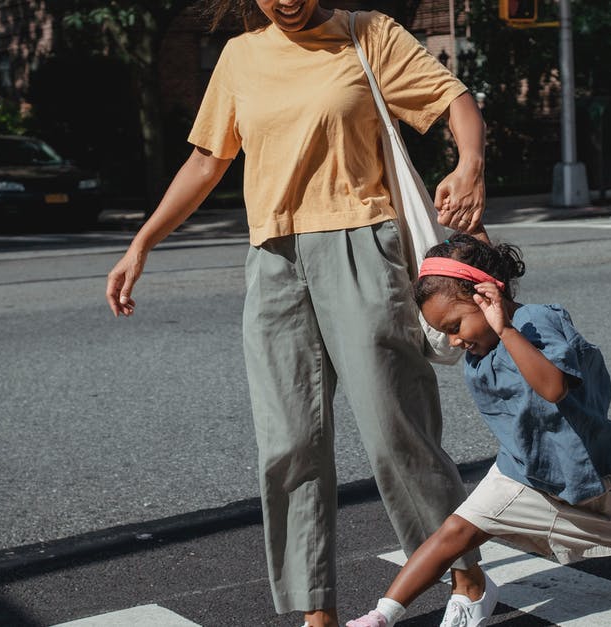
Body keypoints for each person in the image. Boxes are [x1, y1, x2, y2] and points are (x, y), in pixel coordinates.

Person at [103, 1, 494, 625]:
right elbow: (207, 162)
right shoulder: (240, 57)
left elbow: (455, 98)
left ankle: (464, 575)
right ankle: (317, 612)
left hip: (362, 245)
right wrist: (143, 242)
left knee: (396, 432)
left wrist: (469, 162)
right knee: (289, 445)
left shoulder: (367, 35)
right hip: (273, 261)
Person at [346, 234, 611, 627]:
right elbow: (484, 268)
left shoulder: (533, 323)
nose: (452, 341)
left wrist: (505, 329)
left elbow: (553, 387)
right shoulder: (483, 337)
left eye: (454, 325)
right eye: (444, 332)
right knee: (455, 532)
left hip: (594, 478)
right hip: (524, 473)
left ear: (487, 298)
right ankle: (381, 616)